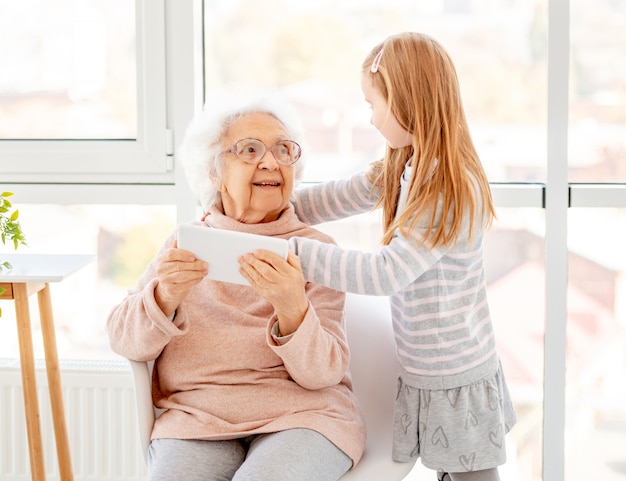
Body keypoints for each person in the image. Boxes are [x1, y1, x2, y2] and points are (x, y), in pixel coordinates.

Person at [239, 32, 517, 481]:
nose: (369, 118)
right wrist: (277, 208)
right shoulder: (406, 163)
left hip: (456, 375)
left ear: (407, 101)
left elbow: (385, 273)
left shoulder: (447, 186)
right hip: (427, 369)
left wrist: (290, 251)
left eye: (373, 104)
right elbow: (341, 196)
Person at [107, 93, 366, 481]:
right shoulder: (185, 244)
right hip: (197, 420)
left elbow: (323, 374)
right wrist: (164, 298)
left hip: (304, 417)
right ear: (214, 171)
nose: (270, 161)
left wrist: (293, 309)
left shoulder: (317, 252)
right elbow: (124, 340)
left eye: (283, 149)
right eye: (249, 150)